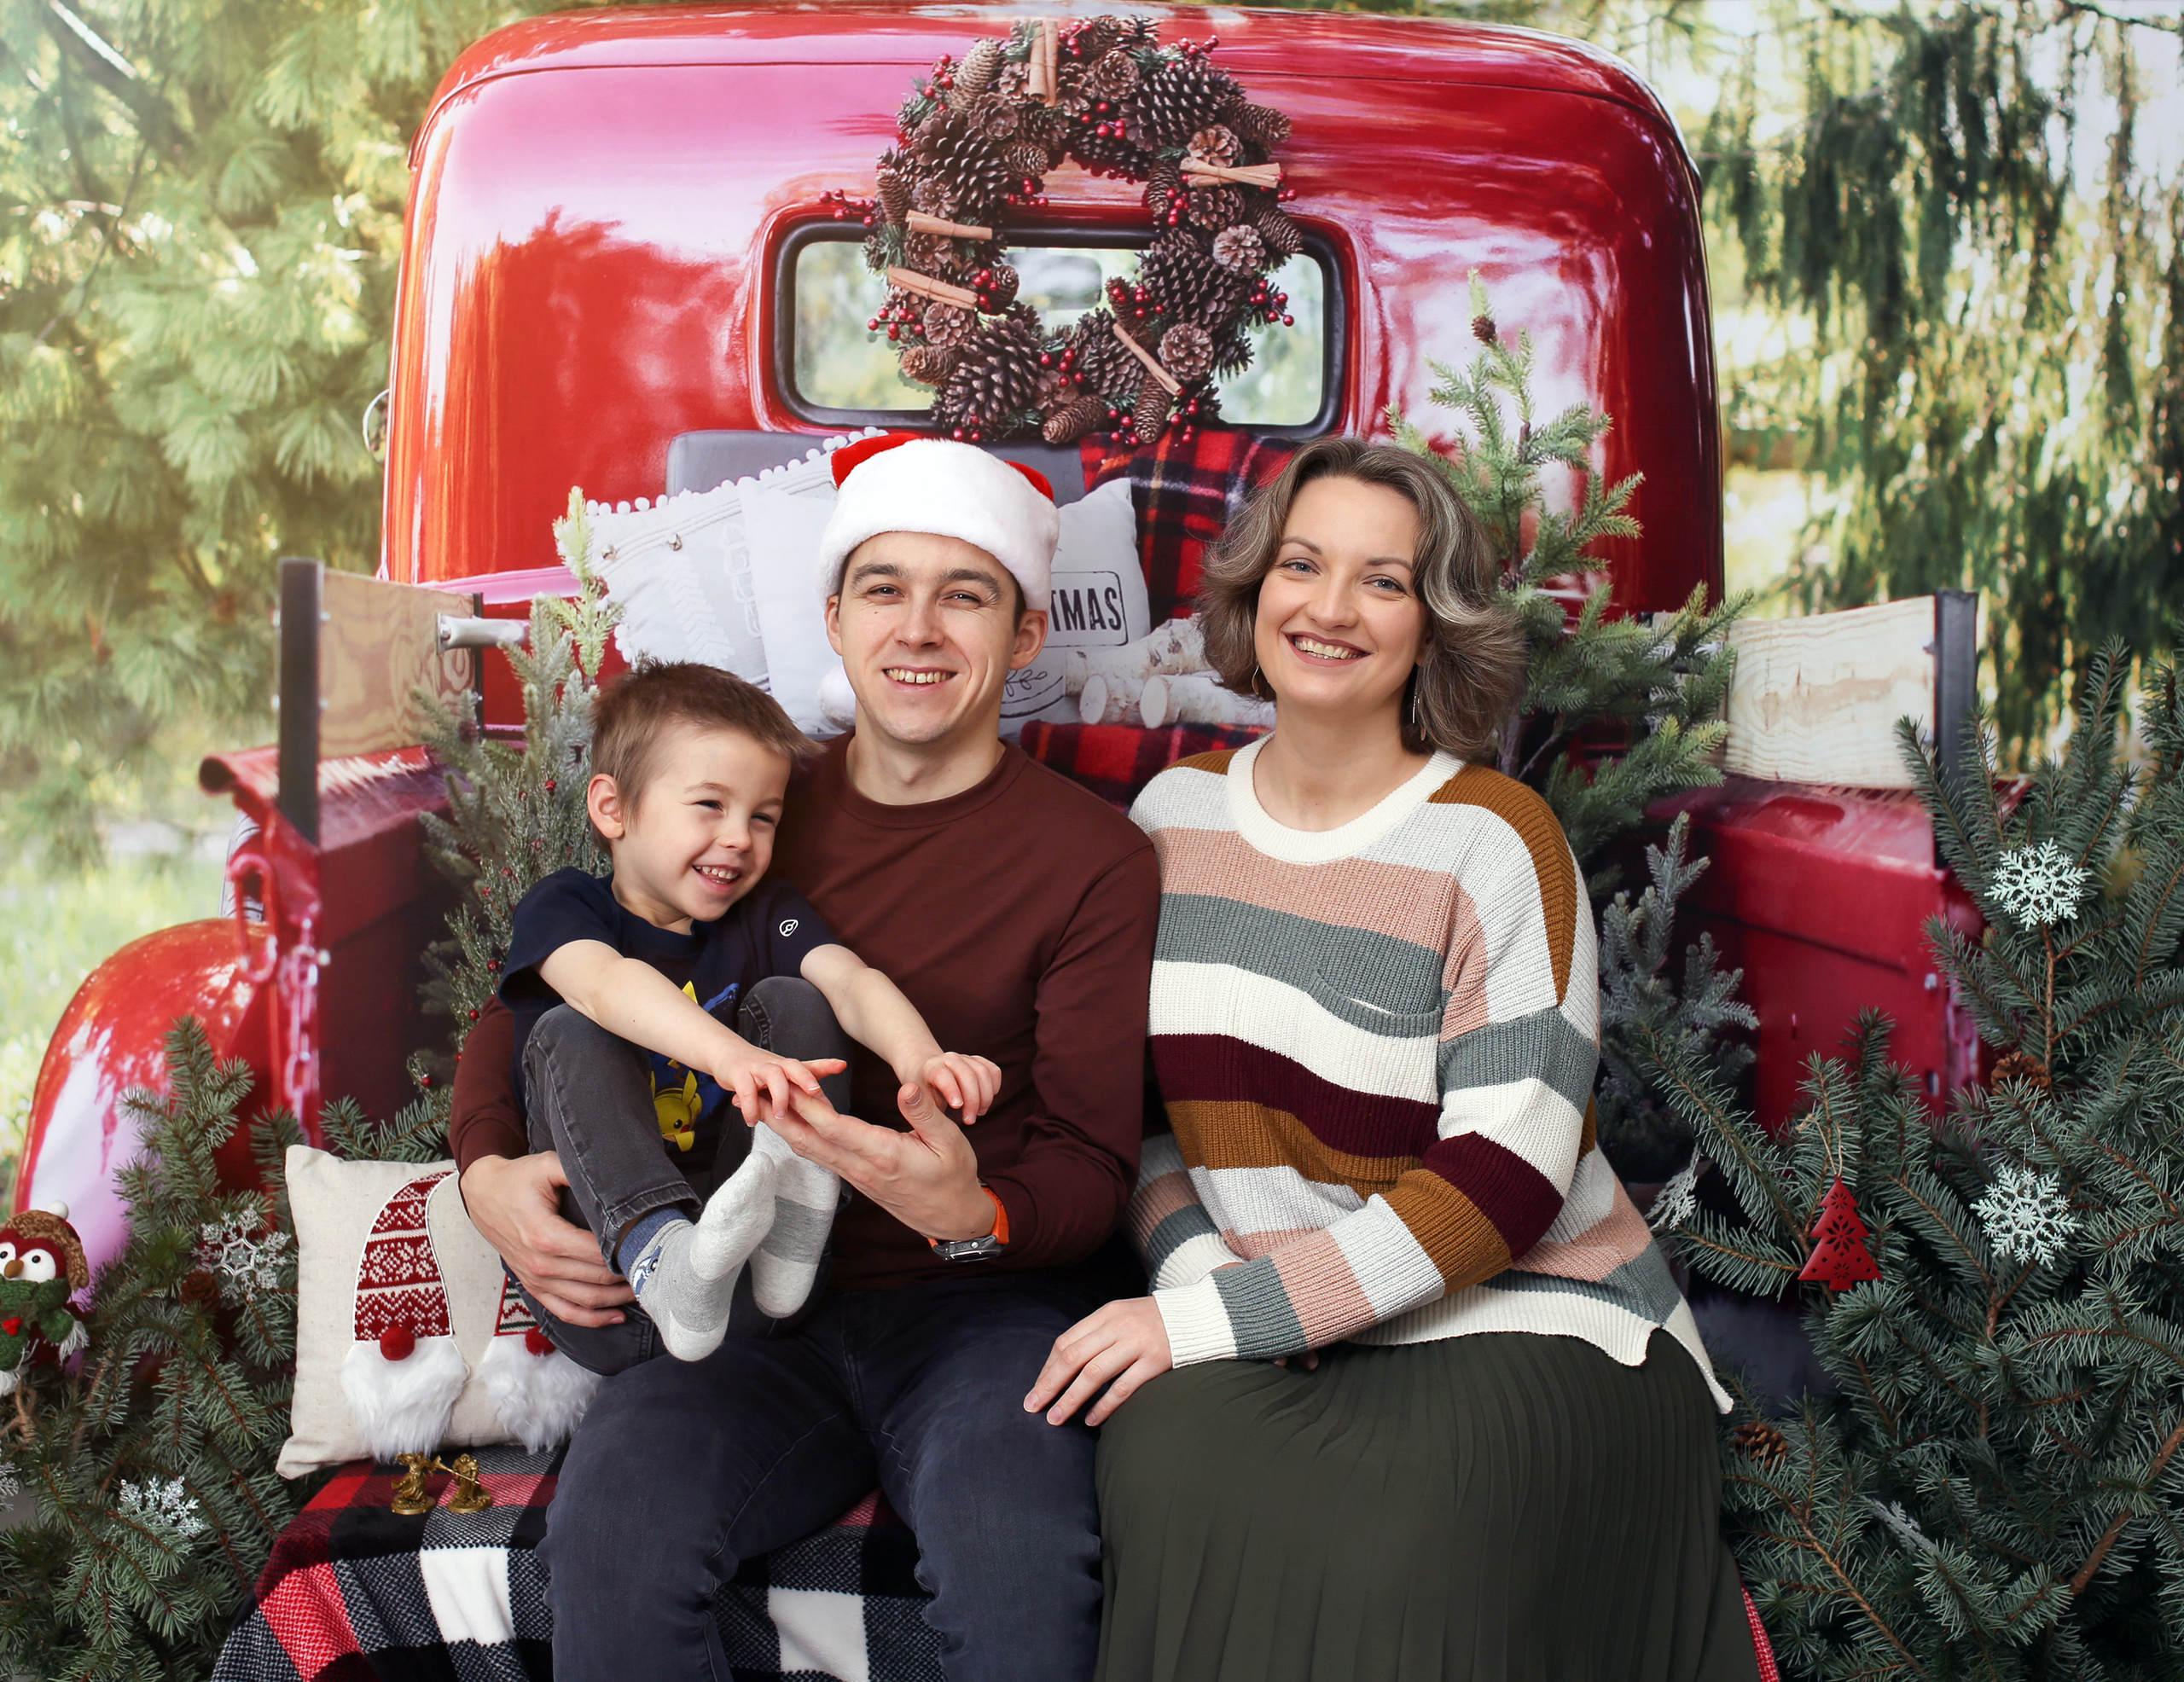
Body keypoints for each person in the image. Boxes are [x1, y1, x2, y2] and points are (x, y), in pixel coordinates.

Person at [1026, 438, 1759, 1682]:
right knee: (1161, 1457)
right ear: (1253, 592)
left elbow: (1504, 1182)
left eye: (1383, 581)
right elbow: (1138, 1121)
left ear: (1435, 626)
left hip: (1527, 1315)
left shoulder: (1495, 842)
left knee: (1399, 1545)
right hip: (1263, 1307)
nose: (1329, 608)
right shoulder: (1171, 821)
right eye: (1301, 565)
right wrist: (1207, 1289)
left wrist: (1246, 1313)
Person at [451, 433, 1160, 1682]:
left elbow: (1095, 1166)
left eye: (966, 595)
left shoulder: (1092, 859)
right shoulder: (748, 806)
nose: (918, 629)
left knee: (1018, 1566)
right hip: (747, 1313)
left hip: (980, 1315)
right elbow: (550, 999)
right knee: (613, 1536)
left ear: (1027, 635)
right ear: (834, 619)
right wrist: (484, 1174)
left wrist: (975, 1216)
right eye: (885, 589)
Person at [497, 658, 1000, 1366]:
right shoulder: (566, 907)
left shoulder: (765, 913)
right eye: (710, 805)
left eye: (763, 817)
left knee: (799, 998)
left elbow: (851, 981)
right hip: (613, 1286)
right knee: (573, 1026)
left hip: (759, 1288)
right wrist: (733, 1057)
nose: (740, 837)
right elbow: (606, 986)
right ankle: (659, 1249)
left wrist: (921, 1057)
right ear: (613, 808)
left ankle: (791, 1226)